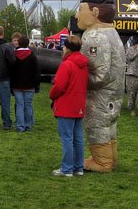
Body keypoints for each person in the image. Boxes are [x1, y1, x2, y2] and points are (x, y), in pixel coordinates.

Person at [75, 0, 125, 172]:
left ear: (95, 11)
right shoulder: (113, 33)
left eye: (81, 10)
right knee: (109, 125)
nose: (77, 16)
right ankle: (109, 157)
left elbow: (98, 74)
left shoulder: (93, 36)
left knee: (97, 124)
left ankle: (102, 162)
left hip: (100, 95)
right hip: (115, 92)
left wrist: (78, 82)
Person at [50, 35, 89, 177]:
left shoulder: (67, 64)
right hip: (79, 103)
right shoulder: (84, 64)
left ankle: (67, 168)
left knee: (67, 138)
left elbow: (59, 86)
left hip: (66, 104)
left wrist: (52, 95)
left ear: (67, 48)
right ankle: (78, 167)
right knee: (77, 137)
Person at [11, 35, 40, 132]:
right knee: (28, 105)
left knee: (19, 105)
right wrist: (37, 85)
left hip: (17, 85)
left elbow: (10, 71)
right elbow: (36, 72)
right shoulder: (32, 55)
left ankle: (20, 126)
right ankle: (27, 125)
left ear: (18, 43)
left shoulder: (14, 55)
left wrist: (11, 85)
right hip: (30, 85)